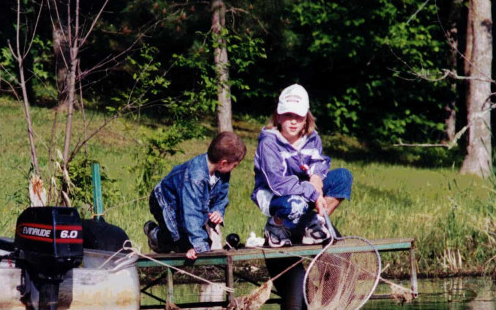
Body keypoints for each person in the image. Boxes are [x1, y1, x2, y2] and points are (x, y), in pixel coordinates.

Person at [252, 84, 353, 247]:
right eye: (288, 115)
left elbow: (319, 162)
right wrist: (312, 191)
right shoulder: (268, 143)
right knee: (294, 204)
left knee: (343, 177)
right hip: (276, 195)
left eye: (298, 116)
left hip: (306, 193)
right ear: (278, 117)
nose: (293, 121)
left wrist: (316, 176)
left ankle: (314, 223)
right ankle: (275, 226)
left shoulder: (312, 138)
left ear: (306, 118)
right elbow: (277, 183)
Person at [144, 131, 247, 259]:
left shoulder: (222, 172)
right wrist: (197, 246)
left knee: (202, 243)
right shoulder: (195, 176)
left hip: (187, 202)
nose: (234, 168)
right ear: (223, 163)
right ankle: (156, 235)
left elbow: (222, 196)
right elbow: (191, 213)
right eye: (234, 165)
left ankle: (171, 240)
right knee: (182, 243)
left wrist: (218, 211)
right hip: (165, 201)